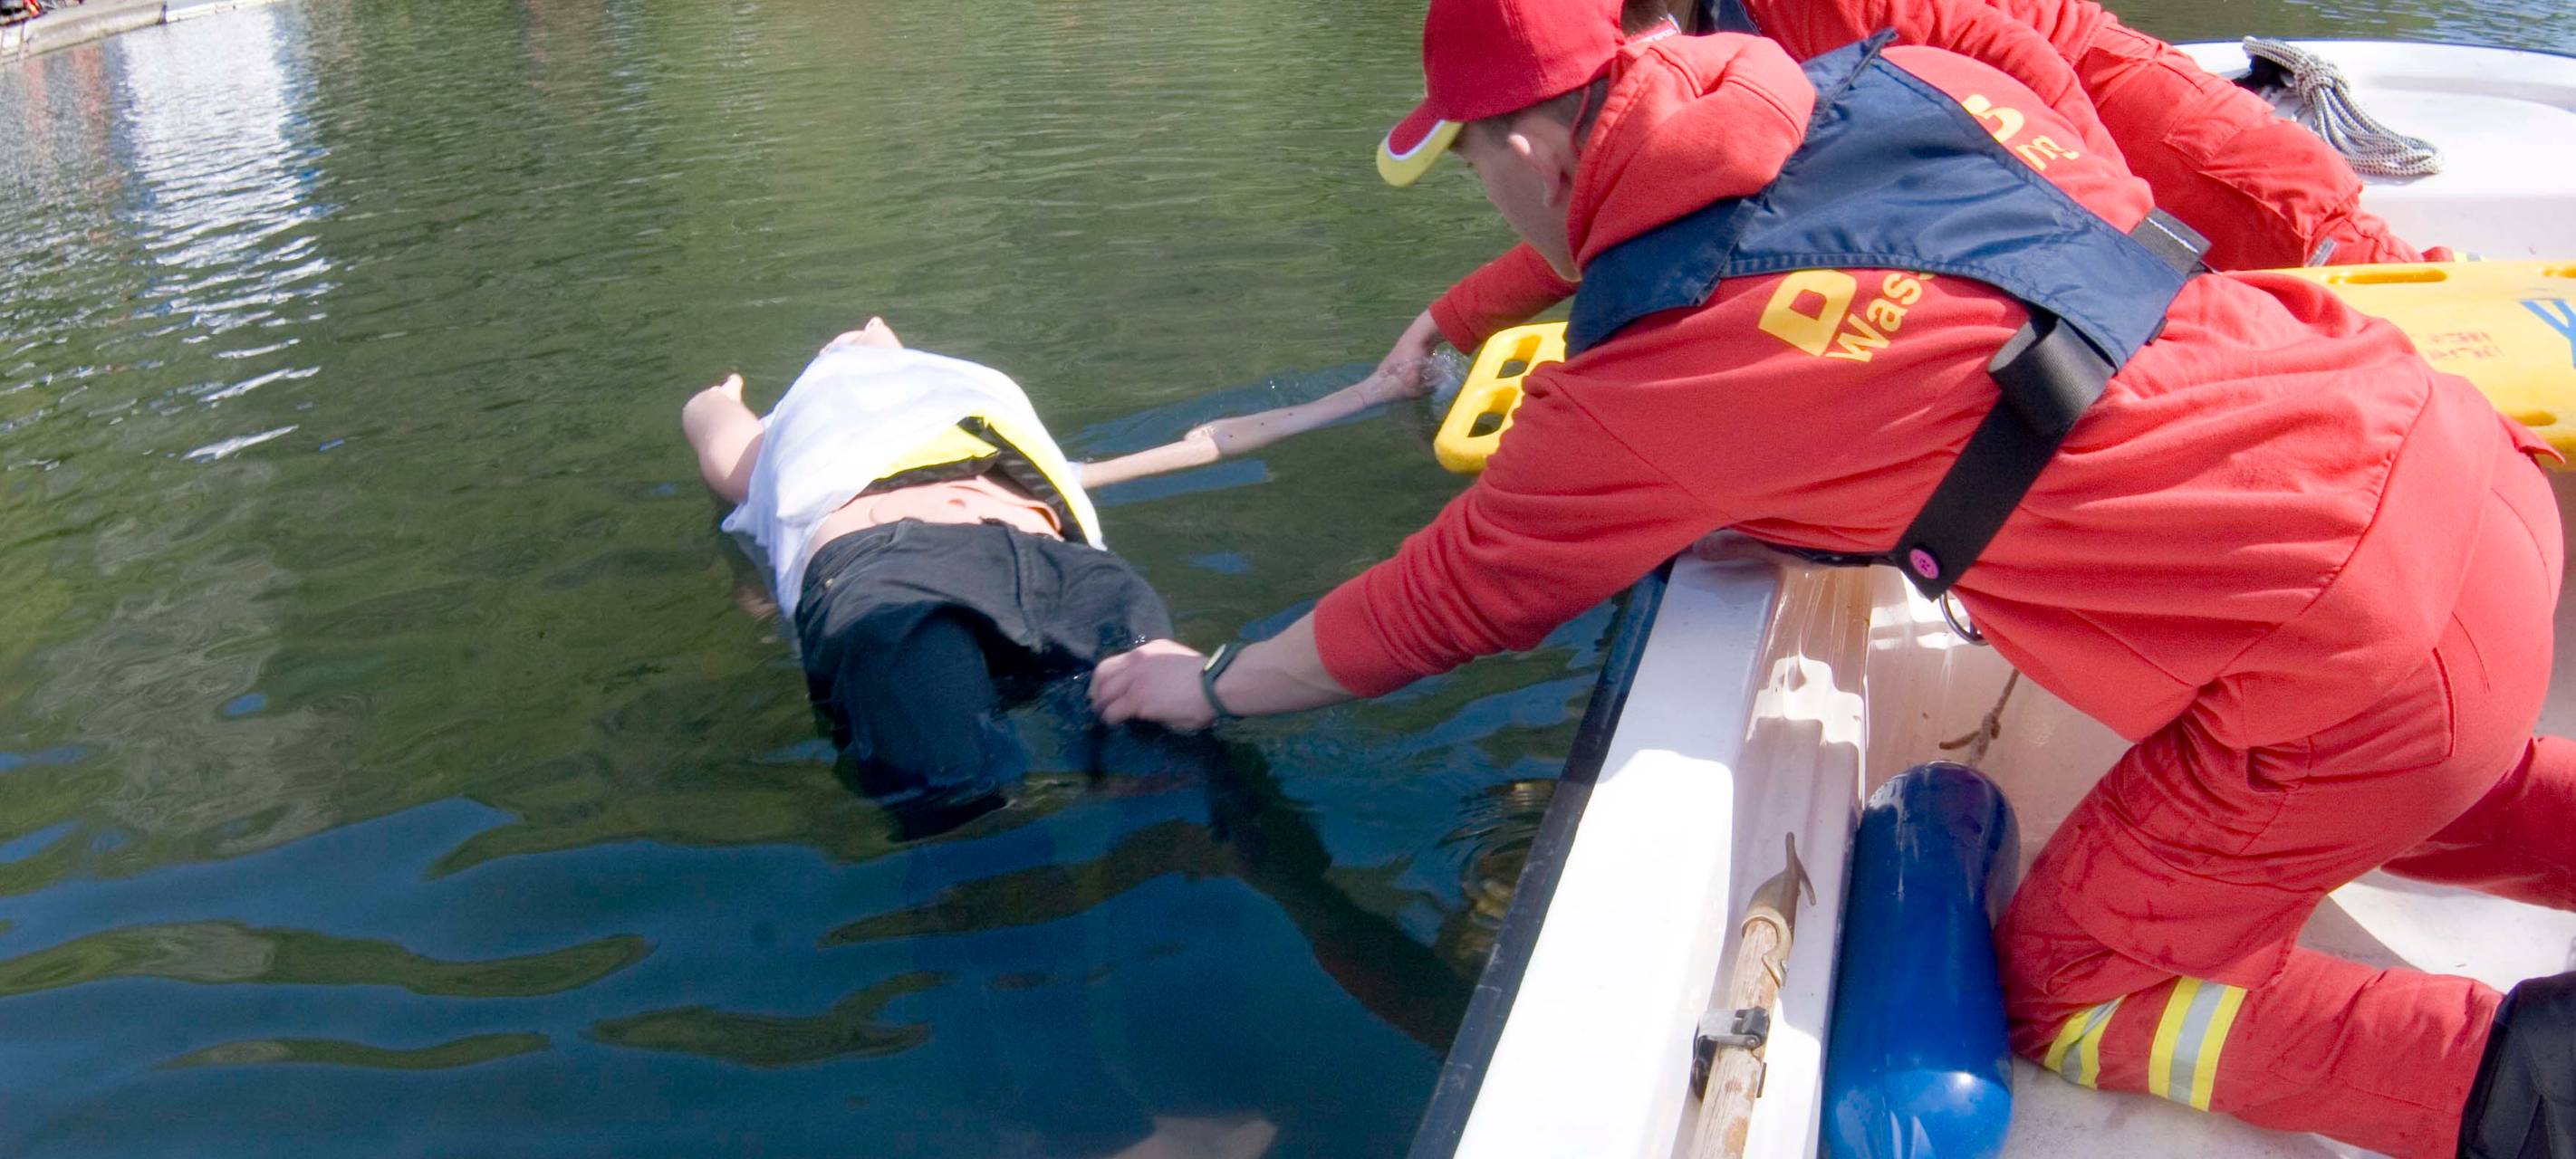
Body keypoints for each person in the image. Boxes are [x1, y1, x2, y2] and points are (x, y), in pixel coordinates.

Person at [1089, 2, 2574, 1155]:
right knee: (2423, 780)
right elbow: (2038, 219)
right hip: (2459, 470)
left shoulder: (1647, 386)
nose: (1490, 202)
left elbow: (1444, 599)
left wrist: (1206, 681)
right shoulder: (1906, 78)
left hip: (2349, 660)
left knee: (2068, 988)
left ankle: (2523, 1084)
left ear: (1528, 153)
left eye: (1472, 167)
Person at [1370, 0, 2432, 380]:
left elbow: (2014, 60)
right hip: (2070, 174)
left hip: (2180, 156)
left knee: (2418, 332)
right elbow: (1624, 203)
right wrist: (1447, 320)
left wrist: (2118, 251)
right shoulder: (1669, 57)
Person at [682, 316, 1427, 839]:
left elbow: (1203, 444)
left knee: (1174, 762)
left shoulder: (955, 397)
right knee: (958, 802)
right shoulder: (789, 433)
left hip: (1057, 566)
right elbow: (719, 438)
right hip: (888, 572)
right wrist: (717, 403)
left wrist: (1369, 393)